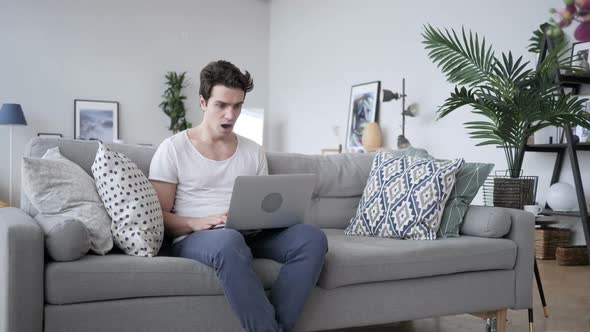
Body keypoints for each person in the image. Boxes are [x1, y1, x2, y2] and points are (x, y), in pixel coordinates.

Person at [149, 60, 328, 332]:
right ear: (202, 102)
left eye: (237, 106)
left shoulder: (253, 151)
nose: (230, 115)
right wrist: (195, 223)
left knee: (312, 238)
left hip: (251, 232)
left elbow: (265, 204)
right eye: (221, 105)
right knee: (228, 240)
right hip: (199, 237)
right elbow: (157, 218)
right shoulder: (173, 149)